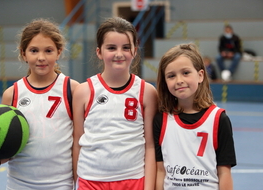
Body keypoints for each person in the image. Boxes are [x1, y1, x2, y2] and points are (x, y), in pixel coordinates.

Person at [0, 18, 79, 189]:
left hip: (60, 185)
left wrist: (78, 183)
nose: (41, 57)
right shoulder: (12, 94)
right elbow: (8, 147)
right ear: (23, 53)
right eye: (34, 50)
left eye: (48, 50)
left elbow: (78, 144)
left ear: (59, 52)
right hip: (19, 184)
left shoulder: (72, 89)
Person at [72, 17, 157, 190]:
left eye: (126, 47)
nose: (119, 53)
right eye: (111, 48)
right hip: (91, 180)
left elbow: (150, 145)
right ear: (99, 52)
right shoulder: (83, 91)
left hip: (133, 180)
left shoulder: (147, 92)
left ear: (134, 51)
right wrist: (76, 180)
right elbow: (77, 141)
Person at [154, 43, 236, 190]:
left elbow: (224, 173)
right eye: (171, 76)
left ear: (200, 75)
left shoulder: (218, 119)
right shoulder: (161, 120)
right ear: (165, 82)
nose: (179, 80)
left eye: (185, 73)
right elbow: (160, 171)